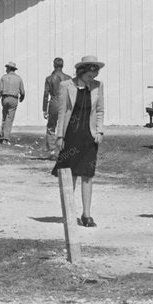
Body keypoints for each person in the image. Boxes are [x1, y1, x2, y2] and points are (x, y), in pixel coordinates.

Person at [53, 56, 105, 226]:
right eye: (91, 74)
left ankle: (86, 215)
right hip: (71, 135)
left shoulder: (98, 86)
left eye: (95, 74)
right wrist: (59, 136)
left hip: (89, 137)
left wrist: (99, 131)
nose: (93, 77)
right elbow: (62, 112)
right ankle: (69, 213)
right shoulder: (66, 86)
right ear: (82, 72)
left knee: (87, 175)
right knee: (70, 175)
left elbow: (99, 110)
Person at [42, 56, 68, 158]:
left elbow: (45, 94)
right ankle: (64, 150)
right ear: (62, 65)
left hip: (53, 103)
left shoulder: (49, 78)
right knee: (65, 128)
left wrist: (44, 109)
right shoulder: (68, 78)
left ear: (54, 65)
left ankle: (52, 151)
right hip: (65, 104)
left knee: (51, 127)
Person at [0, 62, 26, 144]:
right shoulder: (19, 78)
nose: (6, 69)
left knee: (4, 115)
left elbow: (0, 90)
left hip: (5, 98)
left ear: (9, 68)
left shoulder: (4, 77)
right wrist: (22, 98)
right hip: (13, 99)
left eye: (7, 68)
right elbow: (22, 92)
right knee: (9, 118)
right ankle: (5, 138)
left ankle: (2, 133)